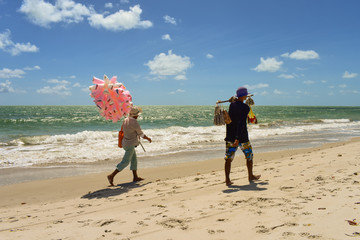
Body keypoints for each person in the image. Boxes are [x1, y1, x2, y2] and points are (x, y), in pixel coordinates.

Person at [224, 87, 261, 186]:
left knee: (228, 158)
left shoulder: (232, 105)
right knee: (249, 156)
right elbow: (240, 122)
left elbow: (233, 120)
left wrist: (234, 137)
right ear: (244, 96)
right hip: (241, 136)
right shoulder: (246, 108)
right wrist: (238, 137)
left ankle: (227, 180)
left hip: (230, 135)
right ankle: (250, 176)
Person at [107, 106, 152, 186]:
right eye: (137, 115)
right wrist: (148, 138)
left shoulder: (125, 120)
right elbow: (141, 134)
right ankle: (111, 175)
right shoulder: (134, 122)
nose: (138, 116)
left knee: (134, 160)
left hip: (126, 143)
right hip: (130, 144)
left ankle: (135, 177)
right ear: (135, 115)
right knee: (126, 161)